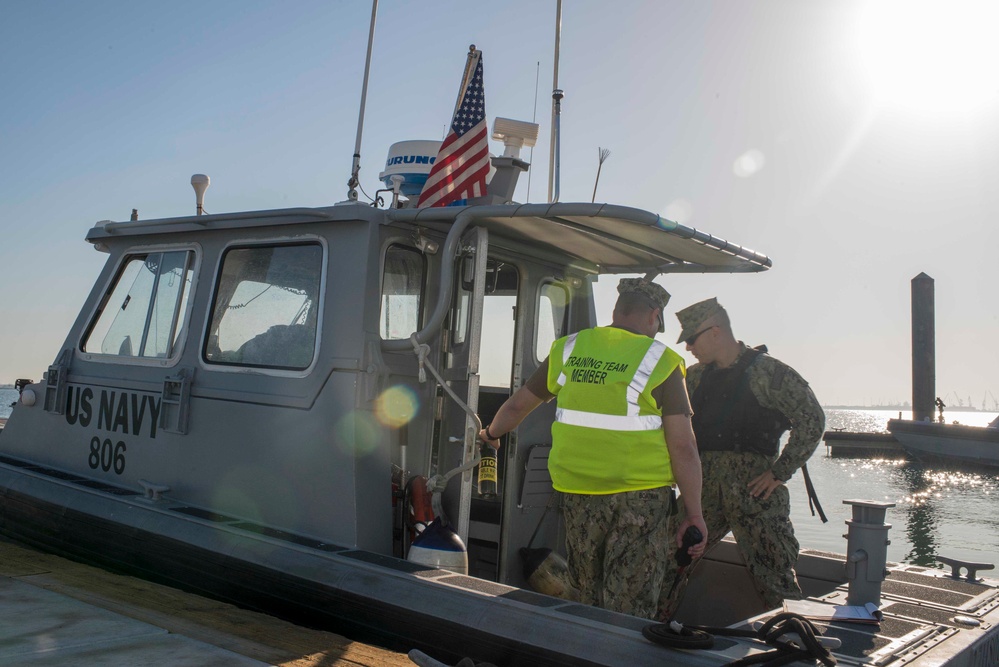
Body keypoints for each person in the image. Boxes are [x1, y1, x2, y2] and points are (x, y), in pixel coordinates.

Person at [478, 278, 707, 619]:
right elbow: (684, 446)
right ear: (654, 317)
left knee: (588, 593)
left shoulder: (569, 349)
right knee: (631, 604)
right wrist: (694, 514)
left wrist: (491, 434)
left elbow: (516, 407)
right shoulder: (661, 361)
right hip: (640, 498)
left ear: (616, 311)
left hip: (578, 494)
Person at [658, 297, 825, 620]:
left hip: (755, 493)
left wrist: (779, 472)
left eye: (692, 339)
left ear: (716, 332)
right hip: (704, 492)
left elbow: (812, 420)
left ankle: (795, 645)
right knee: (669, 559)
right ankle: (652, 631)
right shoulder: (692, 378)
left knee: (774, 572)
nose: (689, 347)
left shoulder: (769, 373)